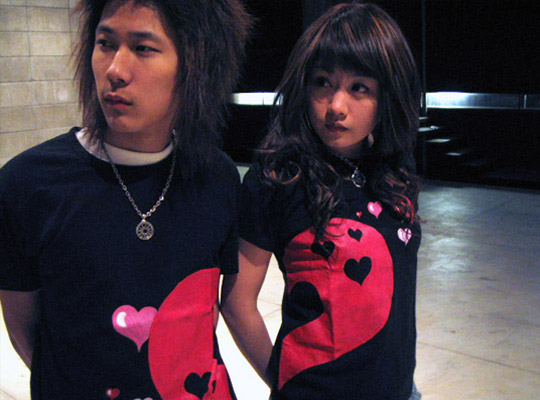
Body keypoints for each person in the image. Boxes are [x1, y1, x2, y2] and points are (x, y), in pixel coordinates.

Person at [0, 0, 251, 399]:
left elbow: (200, 319)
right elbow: (26, 332)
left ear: (196, 65)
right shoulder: (28, 183)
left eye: (143, 48)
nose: (115, 70)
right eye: (105, 43)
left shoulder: (216, 177)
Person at [221, 2, 422, 399]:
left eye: (359, 88)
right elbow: (237, 302)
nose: (336, 107)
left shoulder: (394, 166)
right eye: (323, 83)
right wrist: (284, 381)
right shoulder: (279, 177)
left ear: (387, 95)